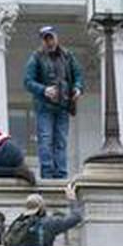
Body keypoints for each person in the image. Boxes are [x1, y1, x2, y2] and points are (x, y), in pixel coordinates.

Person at [23, 26, 83, 179]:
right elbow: (27, 81)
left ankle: (61, 174)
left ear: (56, 37)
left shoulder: (67, 56)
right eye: (46, 38)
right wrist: (44, 90)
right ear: (42, 40)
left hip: (63, 105)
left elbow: (78, 75)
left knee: (61, 141)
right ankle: (47, 174)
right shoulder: (36, 57)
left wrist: (77, 88)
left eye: (51, 37)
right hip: (45, 106)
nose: (49, 41)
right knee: (46, 139)